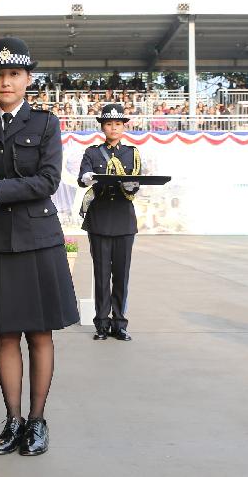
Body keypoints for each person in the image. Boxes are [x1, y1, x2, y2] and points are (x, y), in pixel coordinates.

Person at [0, 37, 79, 457]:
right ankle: (12, 420)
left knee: (39, 333)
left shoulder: (46, 124)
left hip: (37, 238)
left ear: (28, 79)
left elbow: (47, 181)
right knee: (4, 333)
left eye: (14, 74)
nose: (5, 81)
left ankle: (37, 420)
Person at [77, 103, 142, 342]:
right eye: (108, 124)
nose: (113, 128)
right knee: (102, 274)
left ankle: (120, 324)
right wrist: (87, 178)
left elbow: (137, 181)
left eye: (117, 124)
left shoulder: (132, 152)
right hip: (100, 219)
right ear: (102, 127)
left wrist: (132, 185)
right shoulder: (92, 153)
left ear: (124, 126)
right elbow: (83, 179)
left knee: (121, 274)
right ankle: (102, 324)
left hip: (124, 219)